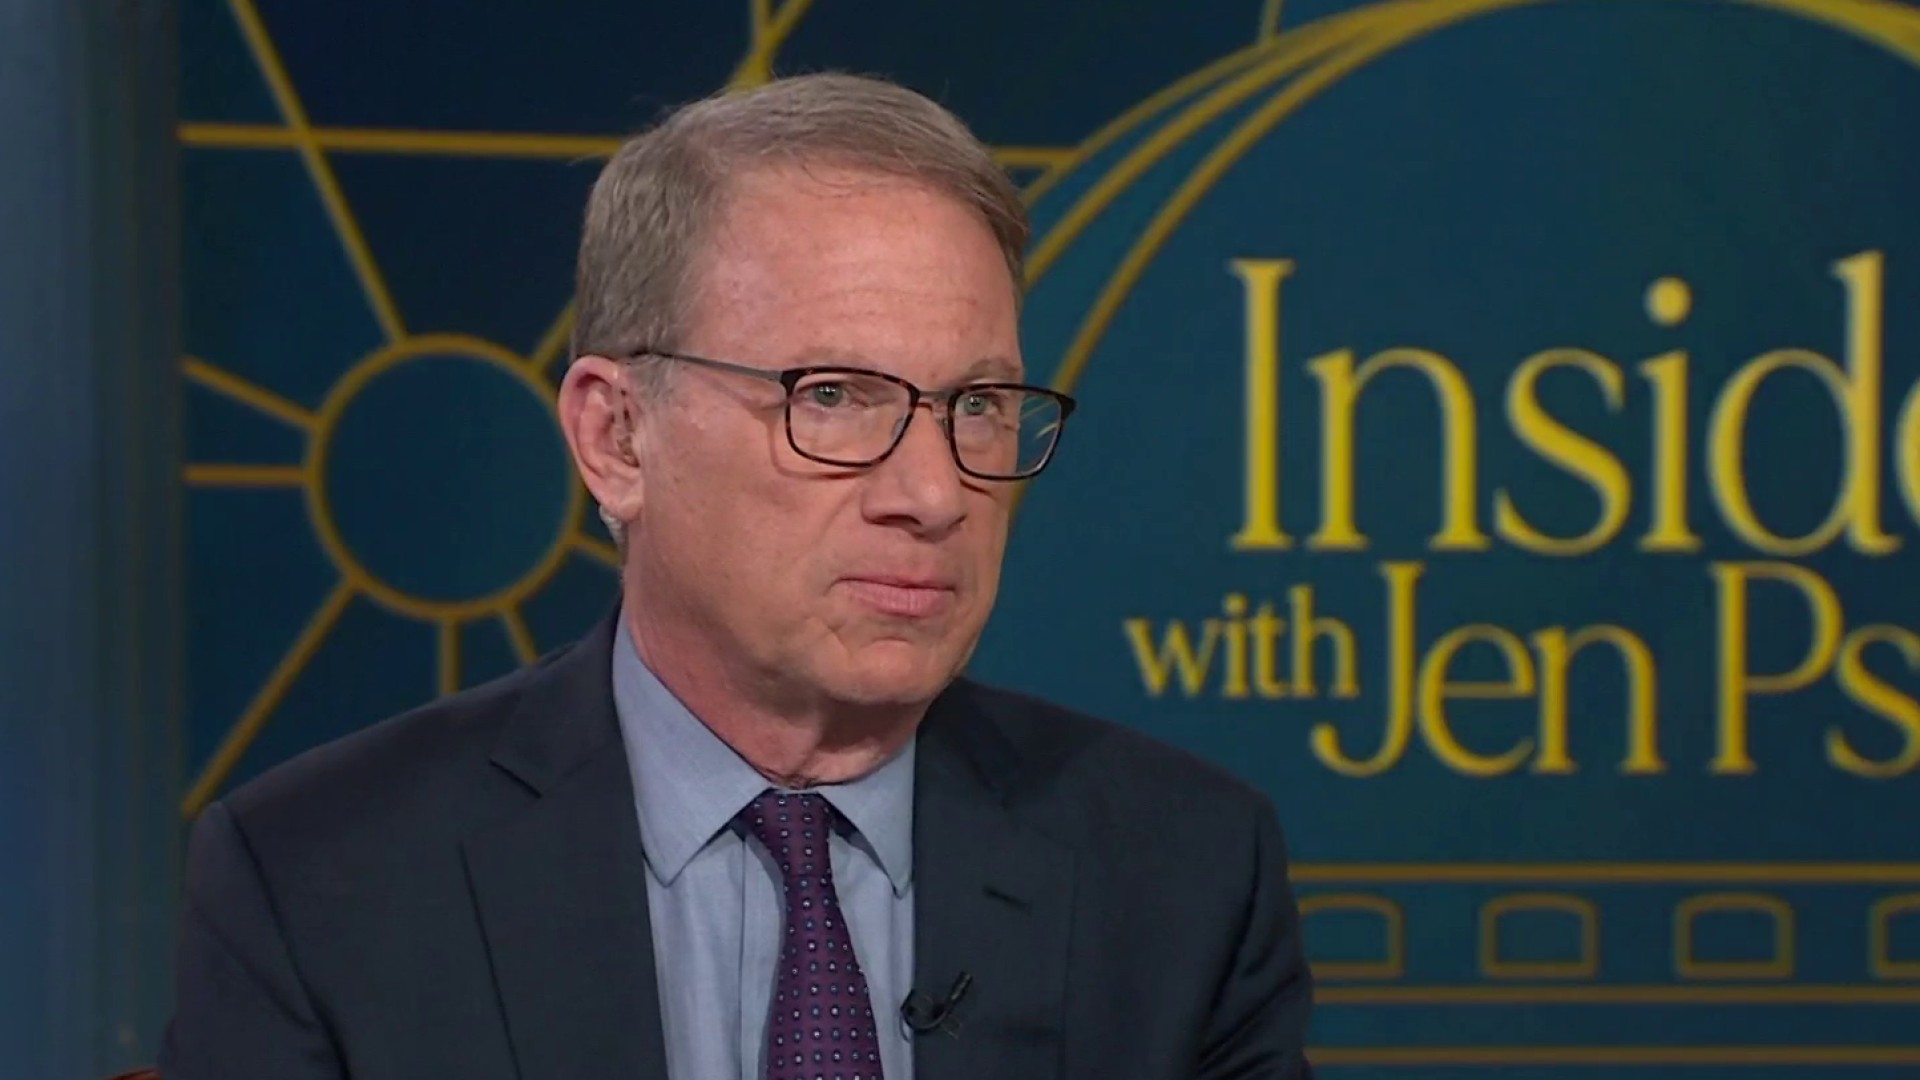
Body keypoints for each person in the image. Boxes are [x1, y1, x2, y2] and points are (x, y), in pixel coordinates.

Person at [157, 72, 1316, 1079]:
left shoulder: (1186, 876)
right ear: (618, 438)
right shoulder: (320, 883)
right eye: (833, 396)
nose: (934, 493)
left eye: (979, 404)